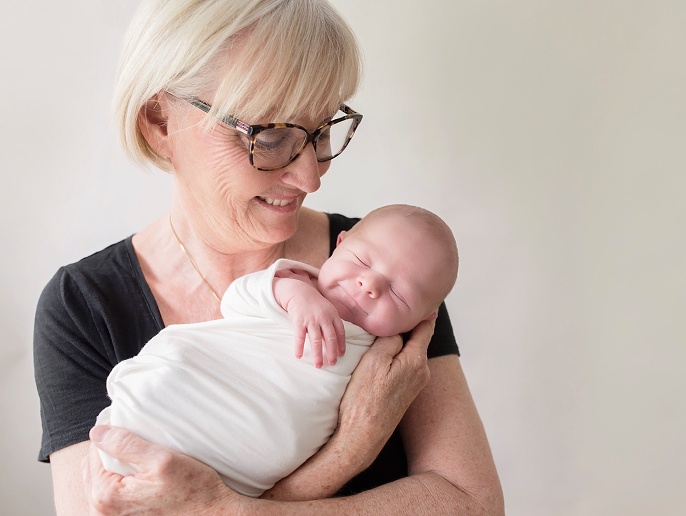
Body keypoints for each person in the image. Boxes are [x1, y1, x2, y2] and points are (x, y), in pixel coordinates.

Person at [33, 0, 504, 513]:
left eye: (321, 130)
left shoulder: (392, 270)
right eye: (270, 135)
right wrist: (350, 447)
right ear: (159, 121)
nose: (311, 178)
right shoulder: (85, 305)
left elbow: (473, 503)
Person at [96, 204, 460, 498]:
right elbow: (236, 300)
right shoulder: (296, 285)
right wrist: (295, 297)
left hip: (242, 469)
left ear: (424, 317)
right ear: (340, 244)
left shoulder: (389, 357)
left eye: (398, 293)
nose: (370, 285)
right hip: (186, 390)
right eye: (362, 262)